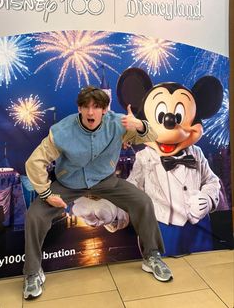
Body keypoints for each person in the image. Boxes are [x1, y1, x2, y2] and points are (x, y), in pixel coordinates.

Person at [23, 86, 173, 300]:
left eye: (96, 107)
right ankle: (32, 272)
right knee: (35, 215)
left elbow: (152, 135)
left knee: (142, 201)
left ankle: (152, 256)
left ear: (104, 109)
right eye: (86, 107)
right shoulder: (62, 130)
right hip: (68, 183)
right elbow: (34, 162)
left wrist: (139, 125)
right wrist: (46, 194)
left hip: (105, 181)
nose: (90, 112)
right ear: (79, 109)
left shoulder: (118, 122)